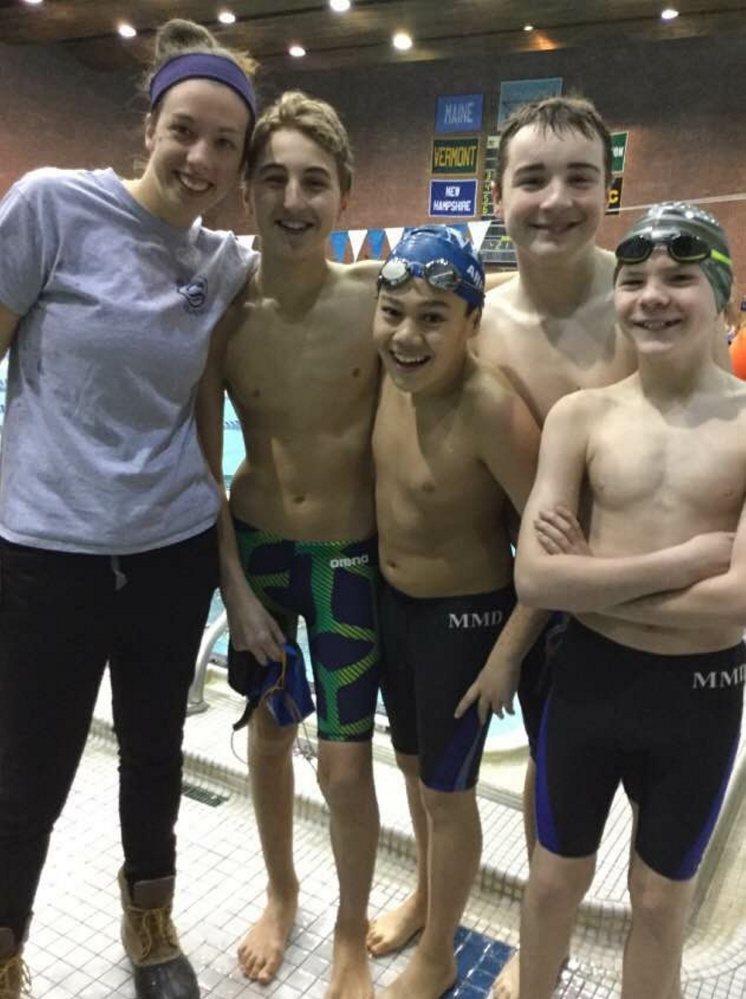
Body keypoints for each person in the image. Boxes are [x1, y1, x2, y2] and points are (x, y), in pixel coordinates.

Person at [0, 19, 258, 999]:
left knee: (153, 755)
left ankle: (150, 922)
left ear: (240, 160)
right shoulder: (52, 209)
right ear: (149, 122)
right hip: (46, 556)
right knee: (26, 780)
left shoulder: (223, 265)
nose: (199, 158)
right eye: (183, 130)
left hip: (170, 551)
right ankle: (6, 943)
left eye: (224, 144)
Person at [514, 202, 745, 999]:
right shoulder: (581, 416)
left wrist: (593, 587)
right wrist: (683, 561)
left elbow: (740, 604)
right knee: (550, 882)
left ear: (724, 298)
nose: (653, 295)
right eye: (635, 279)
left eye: (679, 278)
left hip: (700, 698)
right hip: (588, 681)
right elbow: (536, 580)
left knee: (660, 900)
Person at [196, 92, 382, 999]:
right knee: (271, 739)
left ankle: (351, 931)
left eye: (315, 181)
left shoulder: (382, 305)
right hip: (259, 555)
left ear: (345, 194)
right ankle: (282, 891)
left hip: (351, 558)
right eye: (274, 179)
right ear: (247, 196)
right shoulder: (223, 315)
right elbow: (202, 463)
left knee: (347, 766)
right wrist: (231, 584)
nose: (294, 199)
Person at [470, 95, 637, 999]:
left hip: (631, 595)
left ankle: (593, 940)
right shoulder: (482, 324)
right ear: (501, 195)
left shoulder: (645, 301)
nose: (556, 199)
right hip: (525, 589)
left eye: (579, 177)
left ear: (609, 190)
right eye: (532, 178)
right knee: (546, 772)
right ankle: (547, 947)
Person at [365, 226, 544, 998]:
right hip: (394, 609)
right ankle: (426, 898)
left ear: (473, 322)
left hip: (464, 622)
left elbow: (545, 545)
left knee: (448, 792)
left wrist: (508, 651)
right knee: (413, 773)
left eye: (434, 316)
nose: (409, 334)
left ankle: (439, 953)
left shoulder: (491, 409)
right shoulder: (387, 377)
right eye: (395, 312)